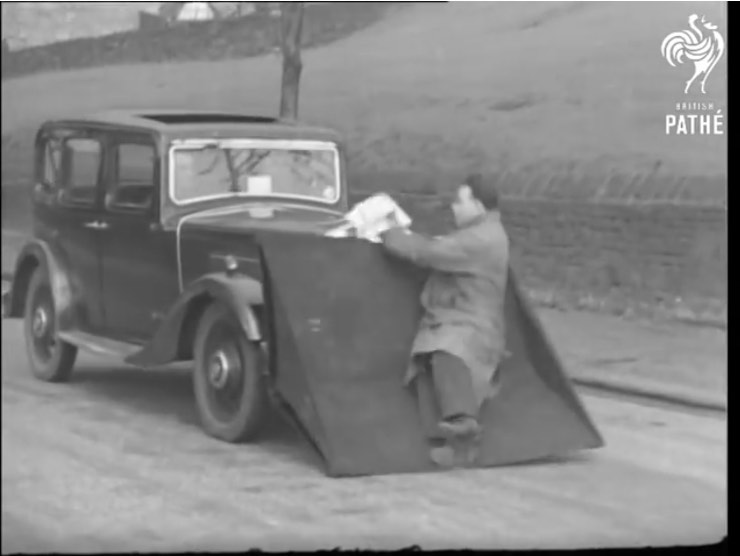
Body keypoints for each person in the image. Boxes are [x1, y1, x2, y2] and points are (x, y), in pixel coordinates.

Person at [380, 173, 510, 467]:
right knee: (429, 359)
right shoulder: (482, 233)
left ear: (478, 205)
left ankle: (463, 425)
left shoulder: (482, 239)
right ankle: (453, 444)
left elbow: (429, 252)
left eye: (460, 201)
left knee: (446, 349)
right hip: (460, 318)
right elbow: (443, 247)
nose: (454, 206)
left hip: (471, 325)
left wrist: (390, 234)